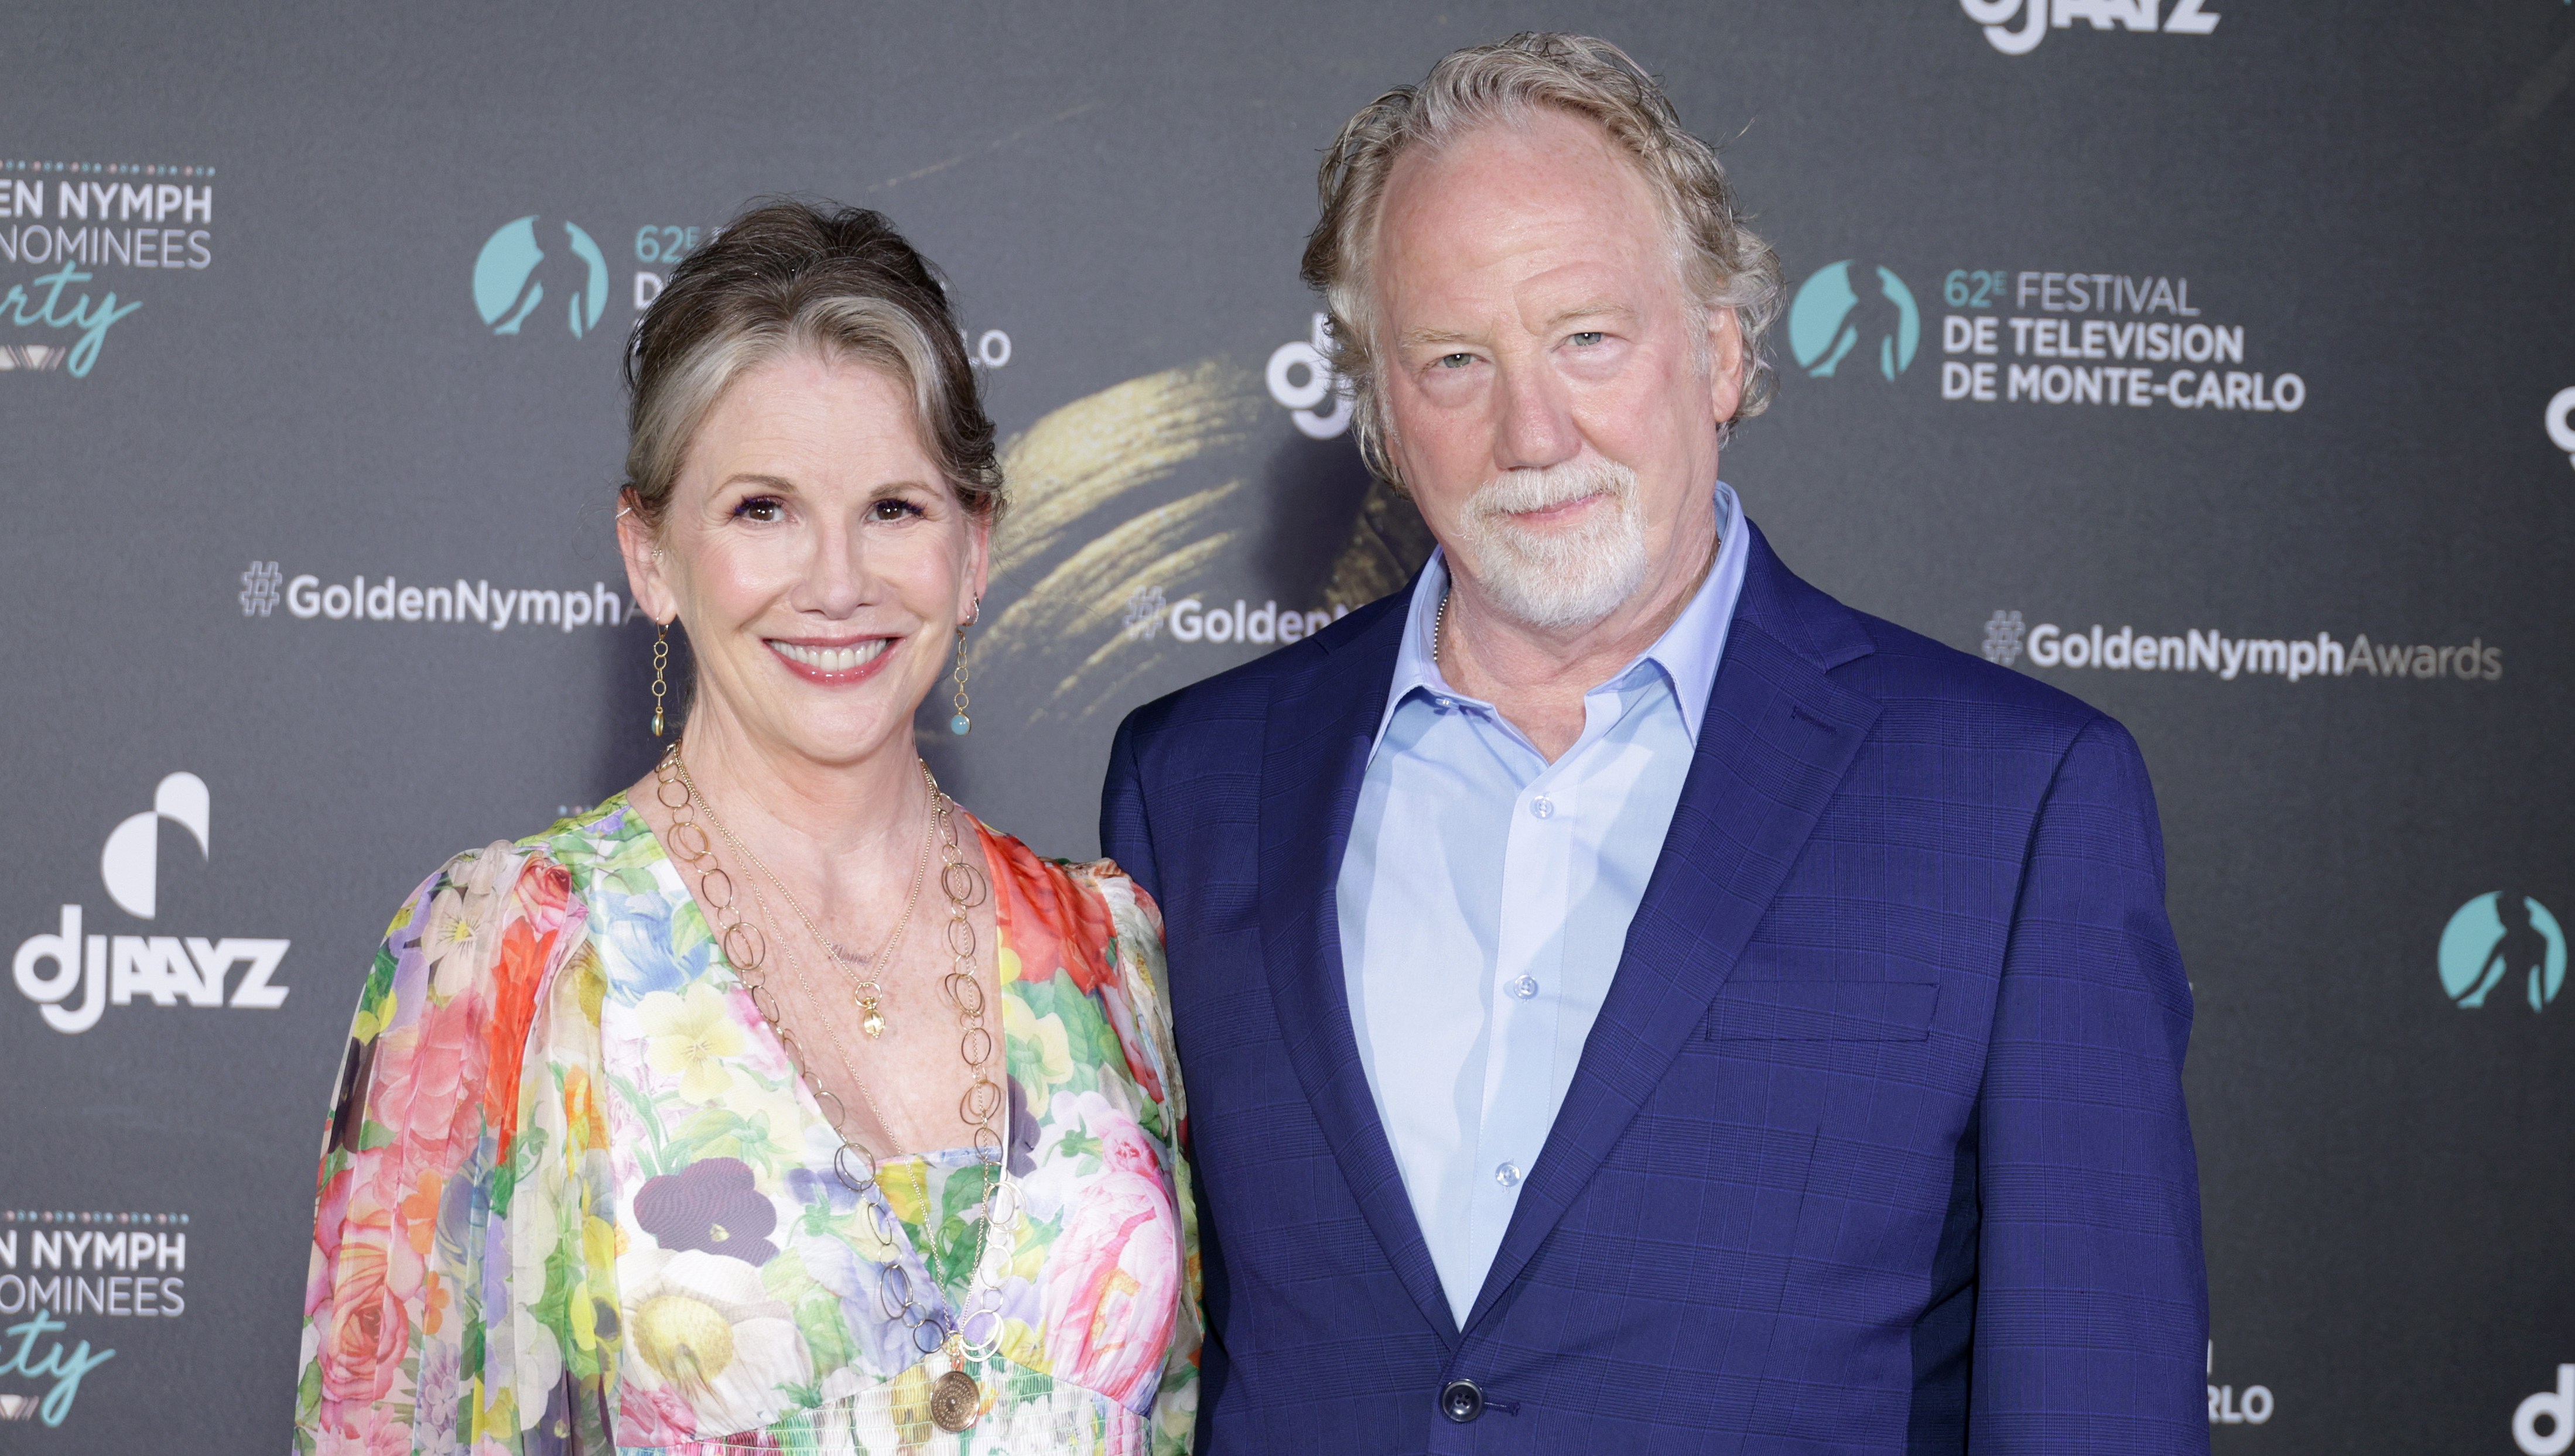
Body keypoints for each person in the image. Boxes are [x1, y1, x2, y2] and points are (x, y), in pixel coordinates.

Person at [1101, 34, 2206, 1452]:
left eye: (1588, 338)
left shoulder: (2012, 801)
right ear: (1379, 409)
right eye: (1454, 360)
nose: (1533, 429)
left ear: (1723, 351)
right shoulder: (1197, 783)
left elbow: (2094, 1398)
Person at [297, 201, 1199, 1456]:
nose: (837, 581)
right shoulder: (516, 950)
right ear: (650, 554)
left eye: (895, 509)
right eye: (763, 509)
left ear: (975, 549)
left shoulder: (1108, 951)